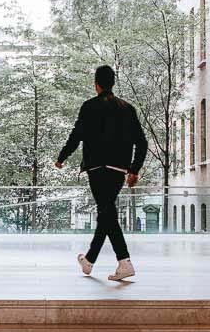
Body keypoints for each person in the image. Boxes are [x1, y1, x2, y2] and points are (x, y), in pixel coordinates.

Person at [55, 64, 148, 281]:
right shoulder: (128, 108)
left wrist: (62, 157)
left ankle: (124, 261)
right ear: (113, 83)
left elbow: (76, 136)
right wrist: (134, 169)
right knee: (107, 212)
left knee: (107, 213)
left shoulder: (89, 107)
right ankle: (89, 261)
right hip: (118, 169)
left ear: (96, 84)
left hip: (96, 168)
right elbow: (142, 142)